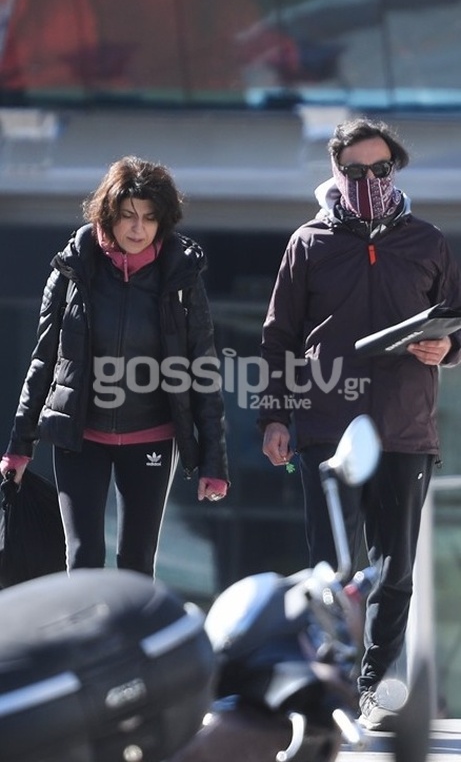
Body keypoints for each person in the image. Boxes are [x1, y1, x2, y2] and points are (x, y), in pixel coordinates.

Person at [258, 117, 461, 731]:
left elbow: (456, 321)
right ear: (335, 173)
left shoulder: (427, 241)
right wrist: (274, 416)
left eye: (379, 169)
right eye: (353, 171)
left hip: (405, 428)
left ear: (395, 169)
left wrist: (447, 349)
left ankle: (373, 687)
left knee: (395, 569)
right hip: (327, 426)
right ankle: (333, 684)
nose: (368, 180)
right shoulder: (308, 243)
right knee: (332, 571)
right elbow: (279, 339)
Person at [0, 155, 229, 578]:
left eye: (149, 218)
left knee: (137, 563)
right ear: (109, 214)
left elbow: (203, 368)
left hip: (151, 435)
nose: (138, 228)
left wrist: (214, 462)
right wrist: (19, 446)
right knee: (83, 557)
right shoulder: (74, 267)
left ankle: (130, 627)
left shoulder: (180, 275)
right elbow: (44, 359)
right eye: (128, 216)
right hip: (80, 435)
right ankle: (85, 626)